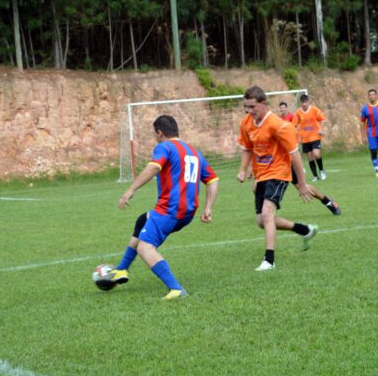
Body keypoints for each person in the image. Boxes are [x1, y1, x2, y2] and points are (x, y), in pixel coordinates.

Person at [107, 115, 219, 299]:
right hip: (188, 212)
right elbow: (213, 180)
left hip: (170, 209)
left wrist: (130, 190)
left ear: (160, 132)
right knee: (142, 220)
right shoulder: (194, 152)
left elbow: (153, 168)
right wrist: (209, 207)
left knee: (145, 248)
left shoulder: (164, 147)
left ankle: (176, 289)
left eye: (155, 134)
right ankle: (121, 269)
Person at [237, 86, 317, 271]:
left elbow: (295, 155)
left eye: (252, 107)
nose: (249, 111)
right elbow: (248, 148)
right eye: (246, 107)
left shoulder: (279, 126)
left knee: (267, 214)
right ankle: (304, 230)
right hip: (261, 175)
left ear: (264, 104)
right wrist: (243, 170)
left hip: (280, 173)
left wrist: (302, 184)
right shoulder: (246, 123)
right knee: (261, 221)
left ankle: (269, 260)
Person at [292, 94, 328, 181]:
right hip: (305, 139)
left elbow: (323, 119)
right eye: (303, 102)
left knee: (316, 154)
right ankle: (315, 176)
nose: (304, 104)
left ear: (308, 102)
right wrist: (298, 136)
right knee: (310, 157)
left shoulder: (314, 110)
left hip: (315, 137)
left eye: (306, 102)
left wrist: (320, 129)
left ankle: (322, 170)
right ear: (300, 103)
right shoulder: (298, 113)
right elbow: (294, 125)